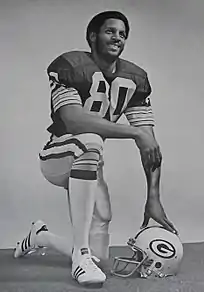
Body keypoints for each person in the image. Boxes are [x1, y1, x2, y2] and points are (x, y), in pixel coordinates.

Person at [14, 11, 177, 286]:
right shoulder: (71, 65)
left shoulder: (134, 78)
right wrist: (134, 132)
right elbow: (74, 120)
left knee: (100, 254)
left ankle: (40, 236)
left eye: (122, 34)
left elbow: (150, 144)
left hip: (89, 162)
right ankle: (80, 255)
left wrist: (153, 197)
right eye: (110, 31)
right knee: (91, 139)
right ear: (93, 36)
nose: (117, 38)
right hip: (58, 154)